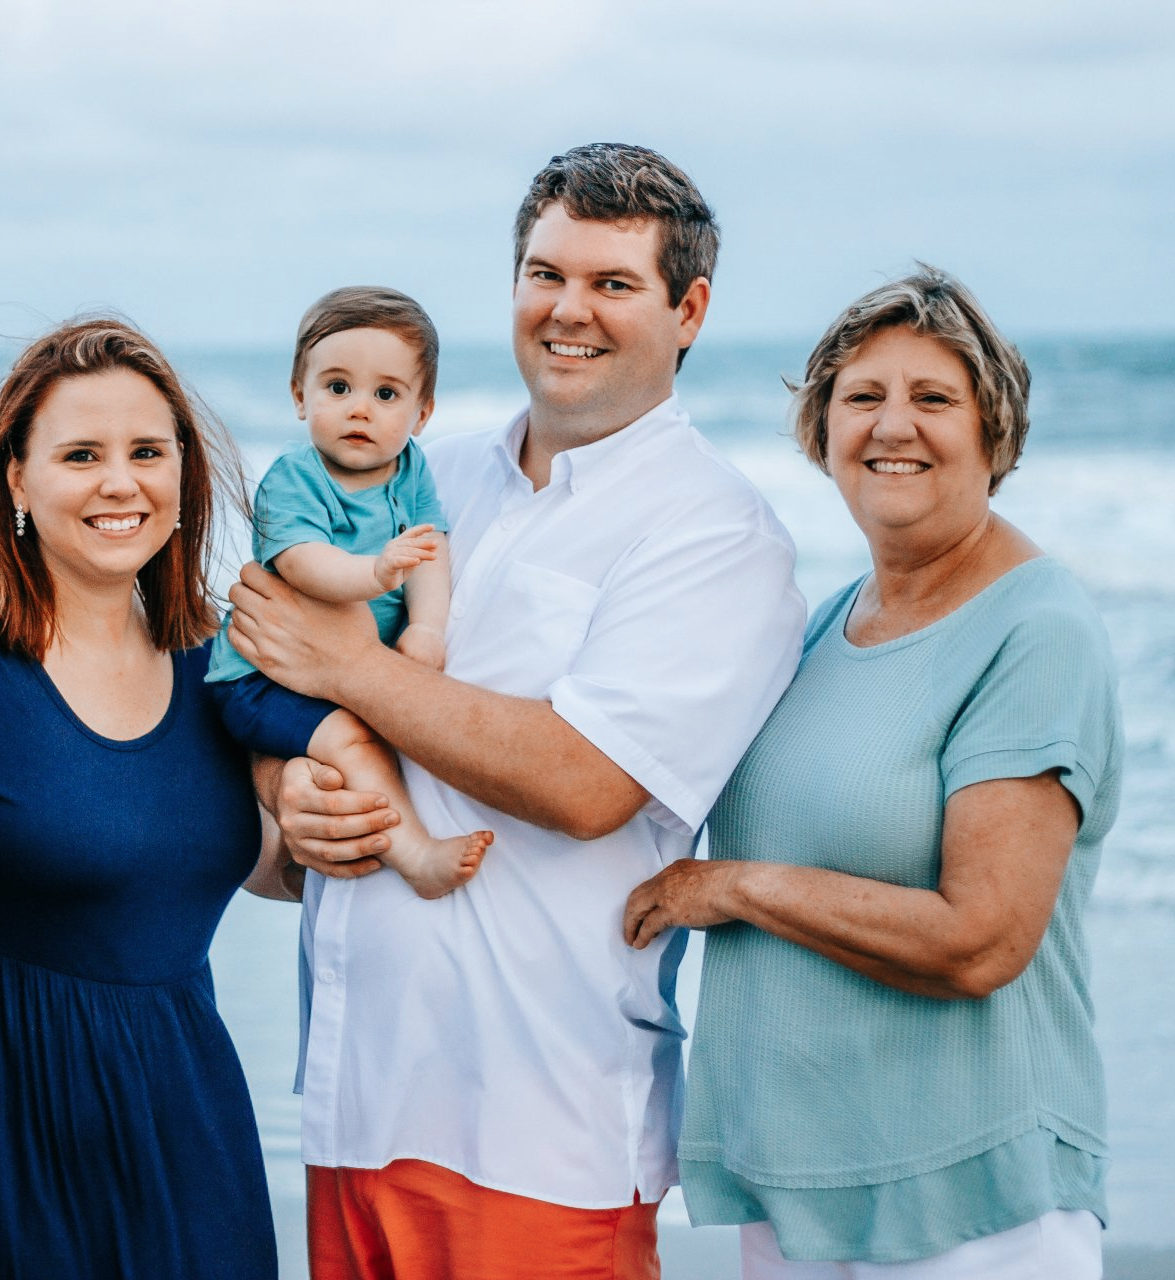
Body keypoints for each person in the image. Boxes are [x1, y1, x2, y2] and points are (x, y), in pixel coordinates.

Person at [229, 144, 807, 1280]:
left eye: (612, 283)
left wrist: (353, 667)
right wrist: (288, 805)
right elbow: (265, 668)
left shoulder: (717, 535)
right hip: (350, 1101)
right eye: (545, 274)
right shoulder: (424, 474)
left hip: (534, 1133)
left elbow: (587, 779)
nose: (568, 310)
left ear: (688, 310)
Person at [623, 268, 1122, 1279]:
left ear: (995, 431)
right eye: (863, 397)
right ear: (822, 430)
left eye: (933, 398)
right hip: (802, 1197)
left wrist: (734, 886)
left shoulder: (1036, 629)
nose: (895, 424)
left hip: (968, 1211)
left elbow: (980, 937)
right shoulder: (820, 625)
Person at [0, 317, 279, 1279]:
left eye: (146, 452)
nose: (121, 482)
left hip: (190, 1124)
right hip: (6, 1130)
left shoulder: (220, 658)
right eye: (81, 454)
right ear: (16, 482)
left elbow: (251, 860)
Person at [206, 285, 491, 899]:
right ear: (299, 396)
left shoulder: (413, 467)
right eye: (338, 388)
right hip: (261, 677)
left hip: (334, 667)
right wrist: (374, 575)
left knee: (354, 746)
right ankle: (415, 855)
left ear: (421, 414)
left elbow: (429, 550)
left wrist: (425, 628)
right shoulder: (294, 477)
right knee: (352, 741)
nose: (360, 409)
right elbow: (304, 563)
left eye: (386, 394)